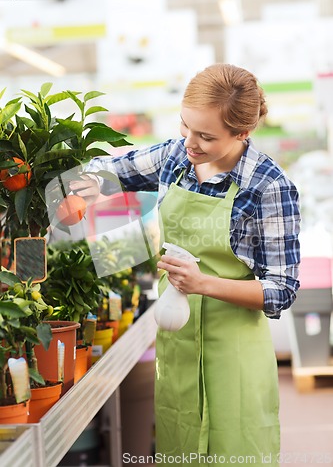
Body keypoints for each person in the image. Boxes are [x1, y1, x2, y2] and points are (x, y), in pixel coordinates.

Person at [71, 63, 301, 466]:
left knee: (235, 451)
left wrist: (202, 283)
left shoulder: (269, 187)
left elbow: (282, 290)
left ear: (242, 133)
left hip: (233, 352)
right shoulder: (176, 157)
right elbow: (111, 172)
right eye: (185, 126)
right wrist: (78, 191)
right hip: (176, 342)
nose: (190, 143)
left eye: (206, 136)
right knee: (181, 451)